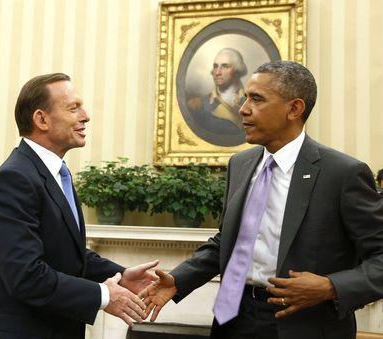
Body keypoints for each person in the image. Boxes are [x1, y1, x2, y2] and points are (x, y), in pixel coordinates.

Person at [140, 61, 383, 339]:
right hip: (235, 319)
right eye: (245, 98)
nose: (243, 109)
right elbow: (229, 242)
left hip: (306, 325)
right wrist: (179, 279)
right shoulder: (240, 164)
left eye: (256, 99)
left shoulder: (342, 173)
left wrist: (330, 286)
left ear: (294, 109)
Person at [0, 73, 159, 339]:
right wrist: (104, 295)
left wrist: (121, 275)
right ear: (41, 119)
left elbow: (67, 255)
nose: (86, 115)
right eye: (73, 108)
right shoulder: (13, 180)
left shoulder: (55, 174)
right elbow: (27, 277)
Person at [186, 48, 247, 147]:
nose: (217, 72)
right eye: (215, 66)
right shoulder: (198, 105)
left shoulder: (250, 102)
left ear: (236, 70)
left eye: (225, 66)